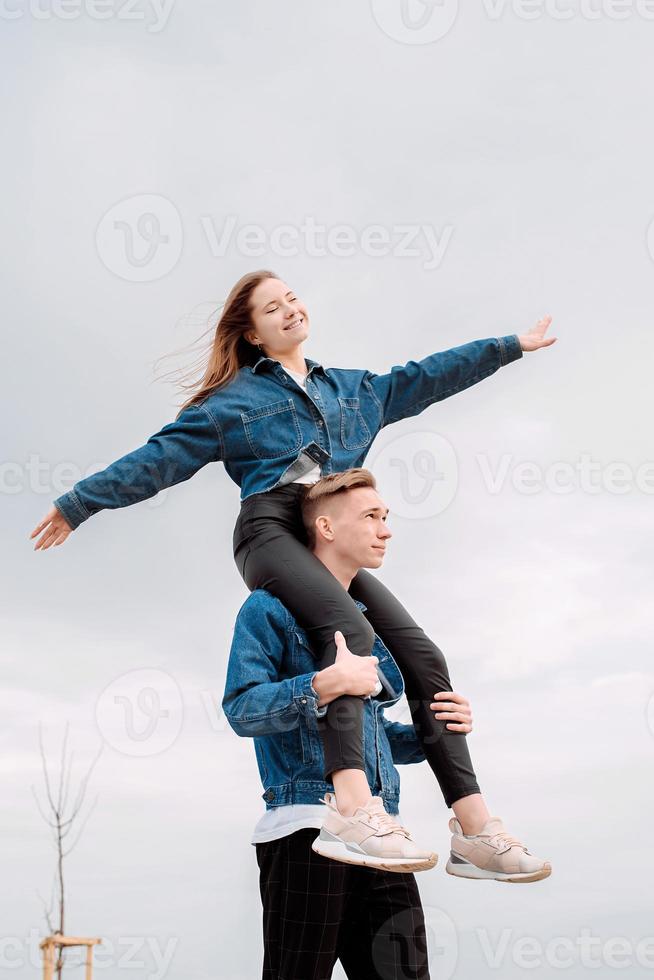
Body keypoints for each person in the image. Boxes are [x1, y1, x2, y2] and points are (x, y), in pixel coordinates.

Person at [29, 270, 557, 863]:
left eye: (292, 299)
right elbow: (160, 459)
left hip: (325, 538)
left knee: (423, 656)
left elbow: (429, 376)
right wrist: (80, 503)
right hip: (270, 531)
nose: (288, 310)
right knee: (350, 635)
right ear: (252, 334)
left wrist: (509, 346)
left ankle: (474, 828)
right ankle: (355, 809)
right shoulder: (232, 404)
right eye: (270, 308)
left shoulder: (356, 390)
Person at [222, 482, 477, 978]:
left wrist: (435, 732)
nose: (386, 532)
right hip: (306, 829)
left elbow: (371, 733)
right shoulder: (267, 609)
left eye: (387, 517)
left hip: (382, 836)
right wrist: (320, 685)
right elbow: (241, 709)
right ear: (325, 527)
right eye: (372, 517)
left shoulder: (370, 624)